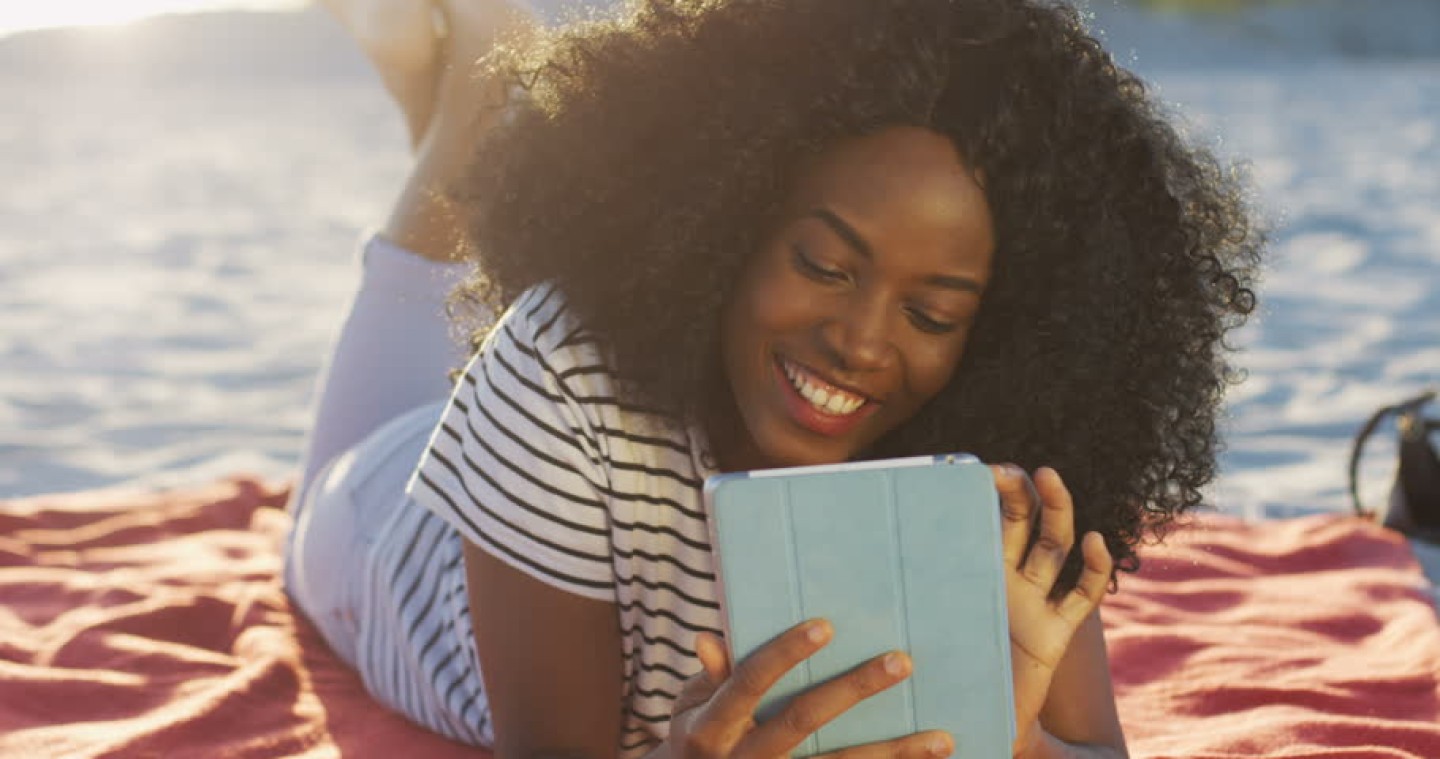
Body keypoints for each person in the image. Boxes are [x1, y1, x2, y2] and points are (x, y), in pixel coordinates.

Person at [284, 0, 1262, 757]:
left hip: (513, 444)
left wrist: (1019, 740)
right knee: (429, 258)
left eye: (931, 315)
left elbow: (1088, 747)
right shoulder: (562, 365)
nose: (862, 343)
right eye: (825, 266)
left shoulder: (997, 460)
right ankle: (475, 71)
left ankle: (460, 88)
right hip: (379, 532)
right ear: (730, 217)